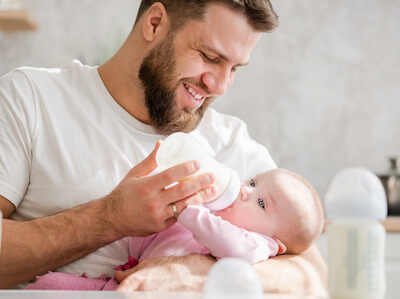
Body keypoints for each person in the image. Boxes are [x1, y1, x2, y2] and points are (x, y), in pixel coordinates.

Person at [0, 0, 327, 294]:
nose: (221, 86)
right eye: (210, 57)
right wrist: (110, 218)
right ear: (154, 23)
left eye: (235, 69)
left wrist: (197, 271)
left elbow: (311, 276)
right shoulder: (30, 100)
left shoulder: (233, 144)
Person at [25, 168, 324, 290]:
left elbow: (232, 247)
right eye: (253, 182)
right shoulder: (212, 210)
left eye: (261, 203)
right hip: (121, 283)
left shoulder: (258, 245)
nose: (245, 191)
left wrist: (187, 209)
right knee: (50, 287)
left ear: (276, 243)